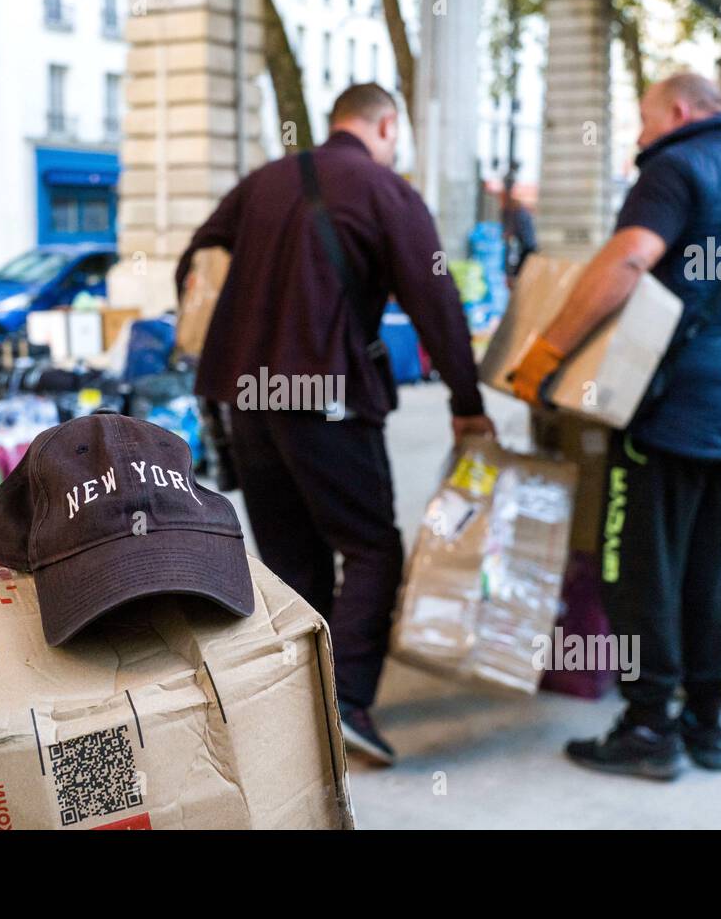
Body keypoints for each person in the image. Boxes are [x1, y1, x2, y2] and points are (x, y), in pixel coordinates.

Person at [507, 73, 721, 780]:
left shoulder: (677, 167)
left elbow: (627, 258)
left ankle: (649, 725)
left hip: (667, 409)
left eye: (644, 122)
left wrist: (547, 354)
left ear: (679, 112)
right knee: (713, 564)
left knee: (638, 563)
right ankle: (706, 724)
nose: (639, 138)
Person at [175, 83, 494, 765]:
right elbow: (435, 299)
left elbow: (197, 259)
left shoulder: (260, 183)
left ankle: (298, 706)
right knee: (372, 546)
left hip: (246, 401)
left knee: (292, 561)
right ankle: (346, 701)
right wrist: (468, 404)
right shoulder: (386, 192)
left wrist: (217, 340)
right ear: (385, 125)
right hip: (325, 396)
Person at [501, 168, 537, 284]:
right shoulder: (514, 209)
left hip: (526, 246)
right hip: (525, 245)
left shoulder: (515, 210)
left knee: (519, 276)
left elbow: (512, 234)